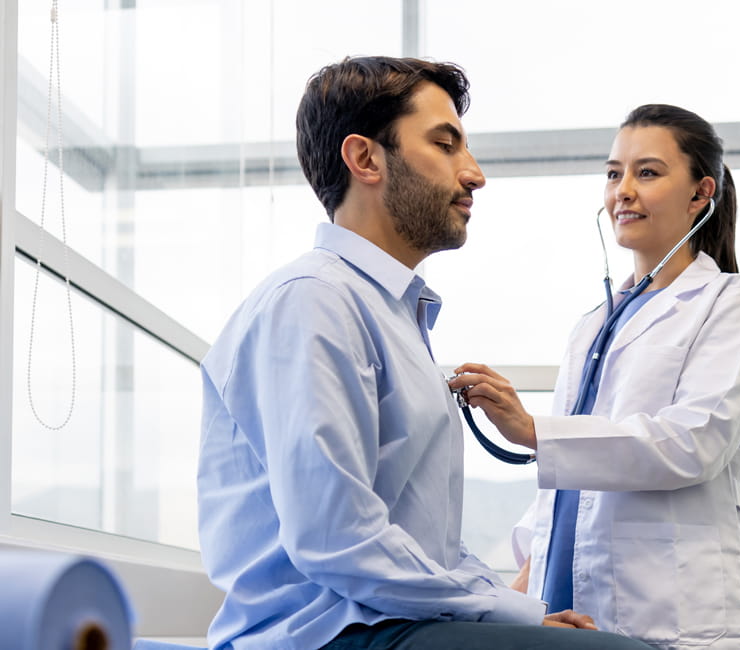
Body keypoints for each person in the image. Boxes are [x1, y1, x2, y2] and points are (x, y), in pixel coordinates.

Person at [197, 56, 655, 650]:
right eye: (445, 145)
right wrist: (500, 610)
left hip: (383, 622)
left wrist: (515, 610)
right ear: (365, 159)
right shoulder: (312, 302)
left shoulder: (392, 315)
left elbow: (424, 547)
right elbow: (337, 539)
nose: (474, 174)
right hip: (325, 633)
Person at [449, 104, 740, 649]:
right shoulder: (592, 326)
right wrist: (517, 601)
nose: (622, 190)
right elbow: (568, 489)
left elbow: (696, 441)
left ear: (700, 194)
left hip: (677, 616)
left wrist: (534, 431)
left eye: (646, 172)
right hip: (575, 609)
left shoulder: (731, 303)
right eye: (612, 173)